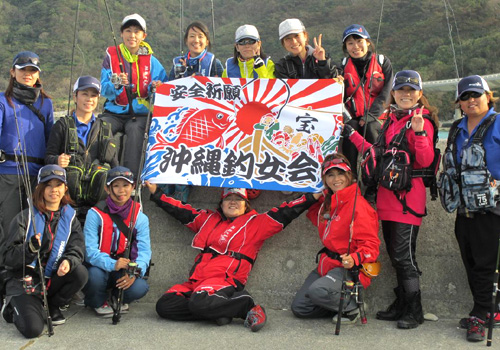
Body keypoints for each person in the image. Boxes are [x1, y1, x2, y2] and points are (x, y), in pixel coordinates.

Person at [145, 183, 317, 332]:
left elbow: (286, 211)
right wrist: (156, 193)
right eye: (228, 198)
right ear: (222, 203)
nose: (233, 202)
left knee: (199, 303)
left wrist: (313, 197)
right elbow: (180, 211)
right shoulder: (207, 219)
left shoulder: (257, 223)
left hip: (225, 280)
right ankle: (218, 313)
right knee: (164, 306)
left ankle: (246, 305)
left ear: (246, 204)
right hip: (197, 281)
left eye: (239, 198)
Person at [344, 70, 438, 329]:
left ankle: (414, 309)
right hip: (388, 199)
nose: (406, 94)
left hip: (408, 201)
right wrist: (349, 132)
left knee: (404, 257)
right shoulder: (393, 120)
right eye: (401, 90)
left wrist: (419, 133)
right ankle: (401, 304)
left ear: (420, 94)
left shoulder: (422, 121)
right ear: (393, 93)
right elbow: (376, 153)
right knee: (397, 257)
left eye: (411, 90)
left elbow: (425, 161)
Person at [440, 75, 500, 342]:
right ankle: (492, 311)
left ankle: (480, 314)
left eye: (476, 94)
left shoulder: (498, 123)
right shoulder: (456, 128)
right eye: (465, 96)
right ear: (459, 103)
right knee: (471, 261)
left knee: (486, 265)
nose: (471, 100)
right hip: (463, 209)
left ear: (489, 96)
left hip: (493, 210)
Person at [0, 165, 87, 338]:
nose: (53, 190)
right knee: (33, 330)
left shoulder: (71, 219)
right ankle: (12, 305)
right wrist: (29, 249)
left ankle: (52, 306)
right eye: (48, 184)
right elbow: (7, 257)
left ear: (65, 189)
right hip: (24, 282)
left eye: (58, 185)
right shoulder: (24, 217)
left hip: (50, 281)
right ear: (40, 188)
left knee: (80, 273)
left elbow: (77, 248)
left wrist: (69, 261)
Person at [291, 154, 379, 323]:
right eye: (330, 175)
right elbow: (314, 214)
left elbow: (372, 246)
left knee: (318, 290)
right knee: (300, 308)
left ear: (349, 176)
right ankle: (338, 305)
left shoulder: (359, 206)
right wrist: (313, 196)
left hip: (347, 268)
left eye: (341, 174)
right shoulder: (328, 202)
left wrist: (354, 258)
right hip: (326, 264)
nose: (336, 179)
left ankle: (352, 307)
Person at [45, 76, 118, 226]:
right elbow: (47, 157)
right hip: (67, 204)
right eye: (84, 94)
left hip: (97, 205)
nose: (89, 99)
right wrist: (56, 161)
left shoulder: (105, 128)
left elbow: (114, 164)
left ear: (98, 99)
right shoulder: (62, 125)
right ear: (75, 96)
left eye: (93, 95)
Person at [100, 13, 167, 178]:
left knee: (136, 131)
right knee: (101, 127)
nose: (132, 35)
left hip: (139, 114)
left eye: (137, 31)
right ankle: (107, 174)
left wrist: (155, 88)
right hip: (113, 112)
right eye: (128, 30)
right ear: (121, 34)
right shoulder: (111, 57)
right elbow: (103, 89)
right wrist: (116, 84)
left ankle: (131, 179)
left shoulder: (152, 62)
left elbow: (164, 88)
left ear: (143, 36)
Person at [166, 21, 224, 202]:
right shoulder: (177, 62)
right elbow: (168, 88)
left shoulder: (215, 62)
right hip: (181, 115)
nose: (196, 40)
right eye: (192, 36)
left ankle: (182, 187)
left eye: (200, 36)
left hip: (206, 116)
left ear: (207, 41)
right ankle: (167, 182)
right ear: (186, 40)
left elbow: (226, 88)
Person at [0, 51, 54, 246]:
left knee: (35, 226)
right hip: (8, 174)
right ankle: (7, 272)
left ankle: (32, 271)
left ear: (38, 75)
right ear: (13, 72)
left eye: (33, 70)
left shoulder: (46, 103)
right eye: (23, 69)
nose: (28, 74)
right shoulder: (2, 101)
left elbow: (51, 141)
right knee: (10, 226)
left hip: (37, 176)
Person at [83, 166, 151, 317]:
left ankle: (117, 297)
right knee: (94, 276)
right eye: (116, 185)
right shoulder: (94, 214)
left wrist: (134, 272)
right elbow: (90, 251)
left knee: (140, 287)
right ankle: (98, 302)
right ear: (108, 189)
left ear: (133, 187)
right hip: (99, 267)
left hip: (124, 268)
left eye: (126, 185)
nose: (121, 191)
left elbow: (145, 251)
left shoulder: (140, 217)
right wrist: (112, 263)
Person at [340, 24, 393, 191]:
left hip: (378, 118)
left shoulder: (383, 62)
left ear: (368, 42)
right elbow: (338, 96)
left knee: (371, 128)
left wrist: (371, 115)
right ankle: (351, 180)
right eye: (350, 43)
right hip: (353, 118)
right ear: (345, 47)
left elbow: (388, 92)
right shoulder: (342, 66)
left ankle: (373, 183)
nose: (355, 46)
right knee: (350, 128)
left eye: (359, 41)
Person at [274, 18, 339, 79]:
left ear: (305, 36)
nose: (294, 41)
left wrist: (322, 62)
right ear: (283, 43)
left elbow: (334, 81)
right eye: (288, 38)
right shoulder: (281, 66)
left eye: (297, 36)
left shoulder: (325, 59)